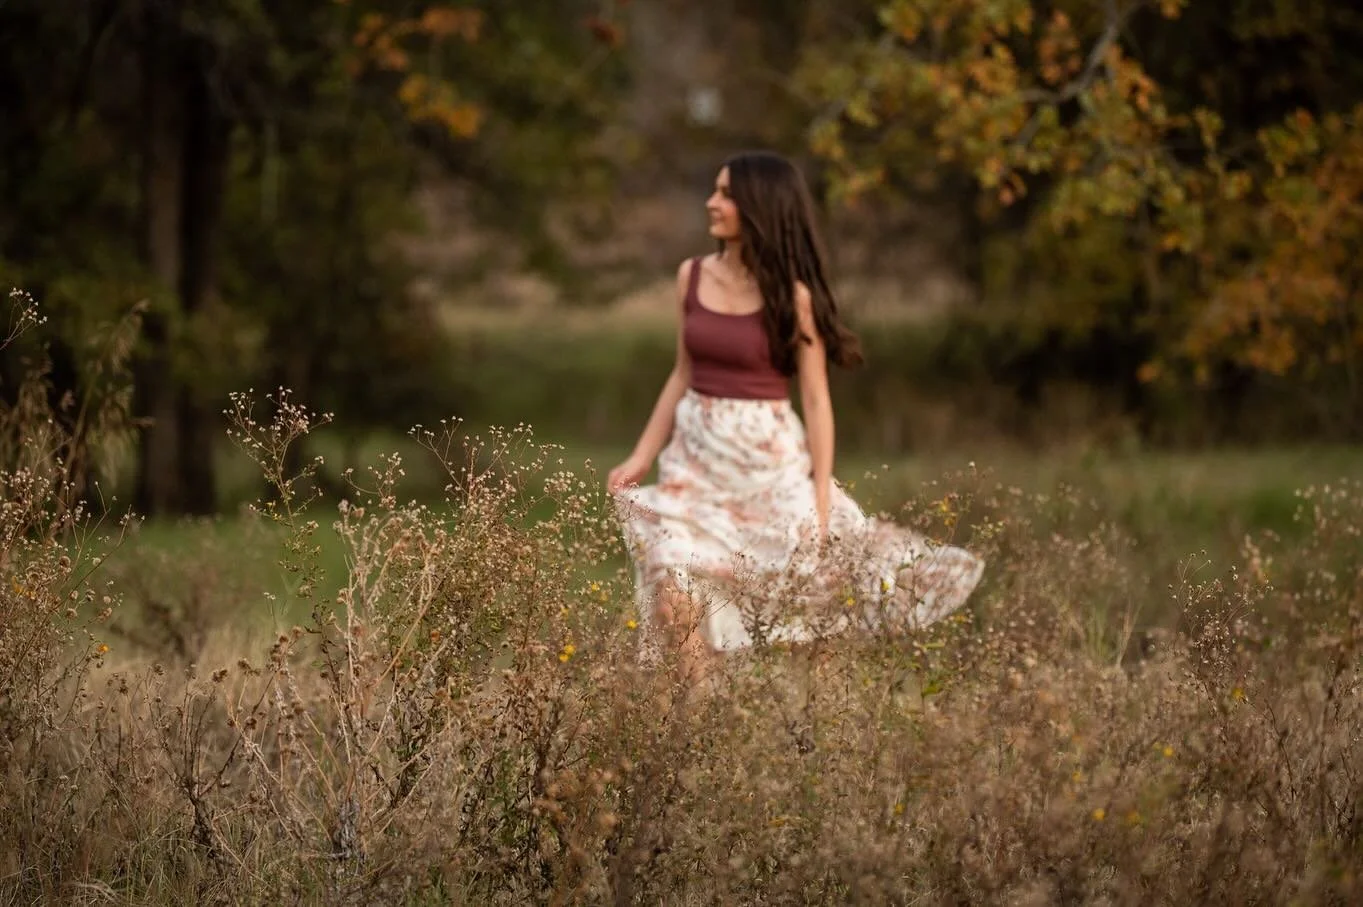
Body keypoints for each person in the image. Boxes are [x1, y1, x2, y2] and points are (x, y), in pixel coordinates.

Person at [608, 151, 983, 681]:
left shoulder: (794, 298)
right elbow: (681, 373)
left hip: (767, 463)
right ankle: (697, 738)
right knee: (674, 597)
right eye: (714, 190)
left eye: (726, 194)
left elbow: (815, 399)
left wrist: (822, 499)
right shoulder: (689, 277)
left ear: (759, 207)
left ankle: (813, 733)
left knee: (806, 599)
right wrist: (641, 455)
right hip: (694, 468)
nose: (711, 203)